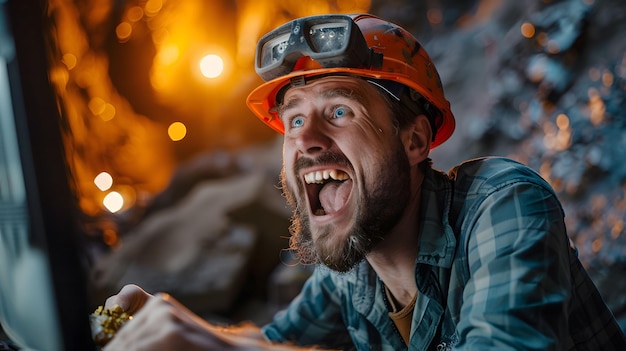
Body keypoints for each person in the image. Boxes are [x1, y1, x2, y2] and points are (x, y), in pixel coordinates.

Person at [101, 13, 626, 350]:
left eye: (340, 111)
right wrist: (167, 325)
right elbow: (270, 340)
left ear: (415, 141)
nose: (306, 140)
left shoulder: (503, 203)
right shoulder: (353, 270)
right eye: (295, 120)